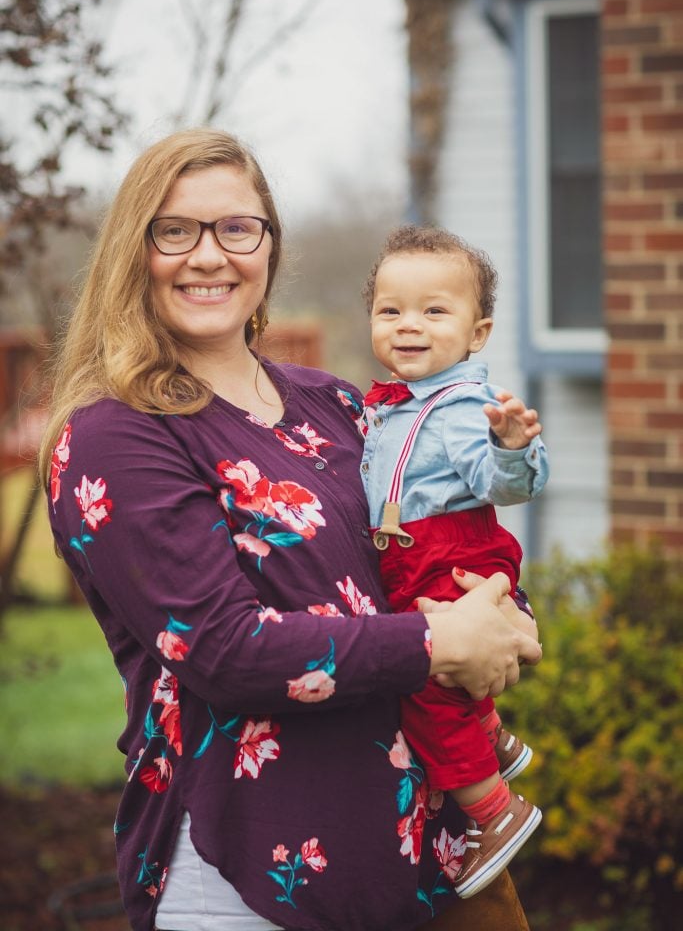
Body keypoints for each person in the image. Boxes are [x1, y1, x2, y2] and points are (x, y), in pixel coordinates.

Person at [38, 129, 541, 931]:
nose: (209, 255)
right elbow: (224, 651)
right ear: (135, 251)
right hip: (251, 869)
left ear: (267, 245)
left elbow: (427, 545)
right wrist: (436, 643)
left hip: (419, 847)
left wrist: (495, 611)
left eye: (237, 228)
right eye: (175, 230)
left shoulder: (336, 404)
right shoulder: (114, 436)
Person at [360, 224, 549, 899]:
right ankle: (491, 737)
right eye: (391, 310)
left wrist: (507, 446)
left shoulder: (464, 404)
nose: (408, 324)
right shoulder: (391, 405)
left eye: (433, 310)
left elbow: (507, 487)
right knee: (437, 679)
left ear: (477, 332)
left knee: (427, 686)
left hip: (446, 551)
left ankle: (494, 814)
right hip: (414, 552)